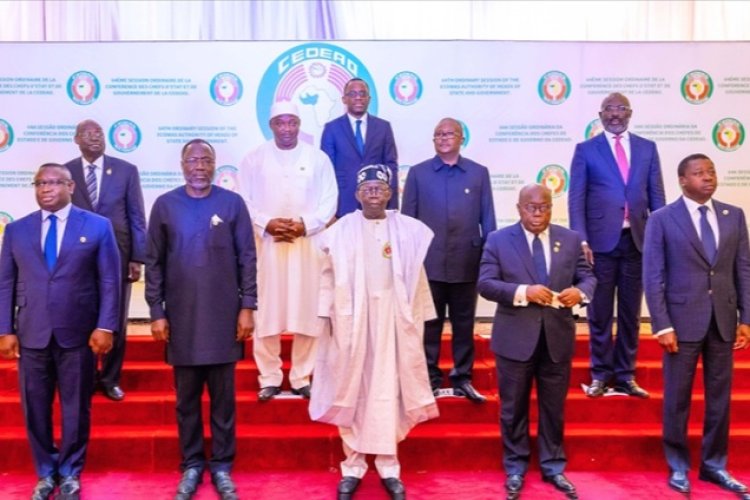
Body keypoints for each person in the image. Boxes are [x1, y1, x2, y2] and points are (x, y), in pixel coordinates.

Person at [310, 164, 439, 500]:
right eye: (366, 189)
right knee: (350, 388)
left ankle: (389, 466)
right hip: (351, 322)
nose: (373, 194)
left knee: (389, 391)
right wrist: (325, 316)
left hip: (393, 324)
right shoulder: (340, 231)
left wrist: (417, 321)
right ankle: (352, 465)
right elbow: (327, 276)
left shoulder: (408, 231)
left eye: (379, 188)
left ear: (389, 193)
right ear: (356, 194)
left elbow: (417, 278)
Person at [0, 163, 120, 500]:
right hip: (32, 334)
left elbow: (110, 280)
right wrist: (4, 329)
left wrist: (105, 325)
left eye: (53, 182)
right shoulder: (17, 230)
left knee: (76, 408)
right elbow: (5, 282)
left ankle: (70, 472)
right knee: (35, 408)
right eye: (40, 183)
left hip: (79, 333)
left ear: (70, 186)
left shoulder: (97, 226)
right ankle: (45, 471)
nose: (46, 189)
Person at [146, 139, 257, 500]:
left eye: (205, 160)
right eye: (192, 160)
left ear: (214, 165)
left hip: (224, 317)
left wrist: (247, 306)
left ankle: (222, 465)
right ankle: (192, 463)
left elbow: (247, 257)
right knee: (186, 402)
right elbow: (154, 263)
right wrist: (157, 312)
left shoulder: (232, 204)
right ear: (182, 165)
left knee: (224, 401)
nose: (199, 166)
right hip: (181, 319)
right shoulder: (165, 205)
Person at [478, 184, 596, 499]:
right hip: (514, 339)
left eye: (544, 207)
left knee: (553, 408)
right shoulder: (498, 240)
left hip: (557, 339)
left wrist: (580, 293)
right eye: (531, 207)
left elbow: (588, 277)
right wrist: (523, 292)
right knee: (513, 408)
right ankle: (515, 467)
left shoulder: (570, 239)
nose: (538, 213)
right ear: (519, 208)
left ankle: (553, 466)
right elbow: (486, 284)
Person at [643, 153, 750, 495]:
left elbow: (743, 269)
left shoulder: (734, 215)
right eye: (699, 173)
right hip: (680, 323)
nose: (708, 177)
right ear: (682, 180)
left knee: (720, 399)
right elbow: (653, 275)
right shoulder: (662, 219)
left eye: (711, 171)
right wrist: (661, 324)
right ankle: (678, 465)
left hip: (723, 321)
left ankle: (714, 465)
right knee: (677, 398)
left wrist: (746, 318)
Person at [568, 92, 665, 398]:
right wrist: (581, 239)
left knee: (630, 312)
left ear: (630, 113)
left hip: (637, 242)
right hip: (599, 244)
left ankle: (625, 375)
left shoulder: (648, 148)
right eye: (609, 109)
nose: (615, 114)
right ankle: (600, 373)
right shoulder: (586, 150)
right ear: (600, 115)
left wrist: (660, 238)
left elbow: (657, 197)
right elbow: (576, 199)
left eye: (621, 109)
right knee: (598, 312)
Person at [239, 101, 337, 401]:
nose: (286, 128)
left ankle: (301, 377)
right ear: (271, 125)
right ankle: (269, 377)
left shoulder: (318, 158)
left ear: (299, 125)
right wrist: (267, 223)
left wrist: (304, 225)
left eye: (292, 122)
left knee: (308, 311)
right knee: (267, 311)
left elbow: (329, 201)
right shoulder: (254, 159)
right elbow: (244, 200)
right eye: (280, 123)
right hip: (268, 247)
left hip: (307, 246)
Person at [402, 117, 496, 403]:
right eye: (438, 134)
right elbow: (407, 223)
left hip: (467, 261)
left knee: (463, 324)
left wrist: (490, 260)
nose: (443, 138)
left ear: (461, 138)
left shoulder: (478, 173)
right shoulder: (418, 174)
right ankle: (428, 379)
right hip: (428, 263)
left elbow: (488, 220)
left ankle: (462, 378)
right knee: (429, 324)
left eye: (449, 133)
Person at [64, 119, 147, 402]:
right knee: (82, 318)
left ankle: (111, 379)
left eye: (98, 132)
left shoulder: (126, 170)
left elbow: (136, 216)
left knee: (115, 319)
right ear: (77, 139)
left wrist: (137, 257)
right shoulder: (66, 172)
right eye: (87, 133)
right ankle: (86, 378)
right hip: (77, 259)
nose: (95, 137)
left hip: (118, 256)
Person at [321, 77, 398, 218]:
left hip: (377, 202)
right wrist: (327, 210)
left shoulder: (383, 127)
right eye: (353, 94)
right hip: (343, 200)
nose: (358, 98)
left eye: (362, 94)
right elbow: (326, 170)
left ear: (369, 99)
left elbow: (391, 167)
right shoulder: (332, 128)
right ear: (344, 99)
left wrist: (392, 206)